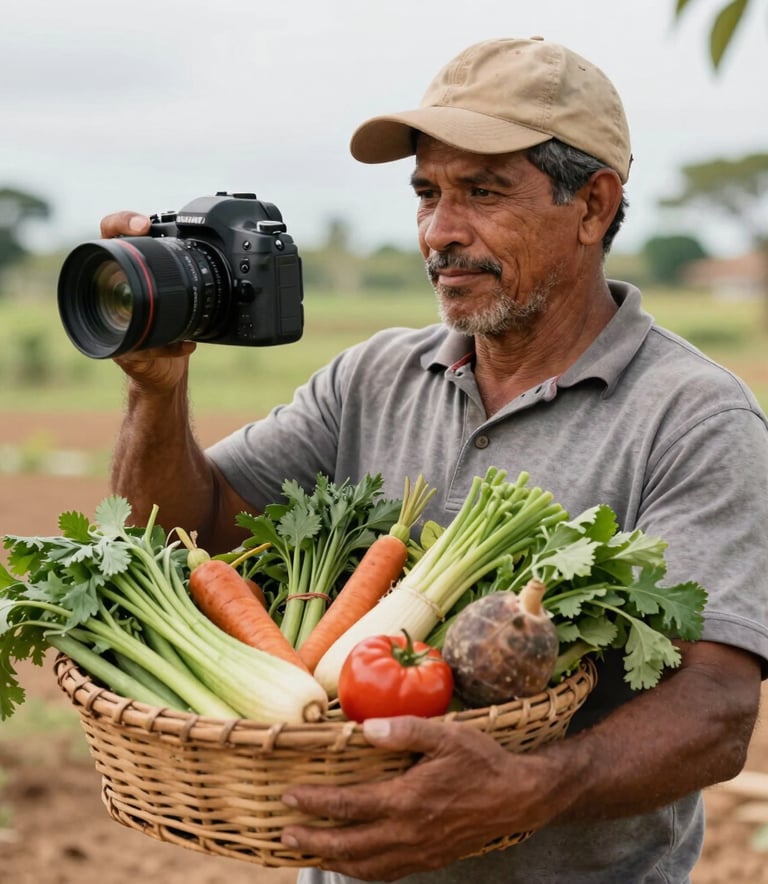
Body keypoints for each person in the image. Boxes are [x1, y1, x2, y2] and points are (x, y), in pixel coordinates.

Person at [98, 37, 768, 884]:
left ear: (593, 206)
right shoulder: (373, 376)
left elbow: (716, 712)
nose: (441, 233)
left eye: (483, 192)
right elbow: (182, 533)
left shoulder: (694, 416)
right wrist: (156, 392)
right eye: (427, 193)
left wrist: (532, 788)